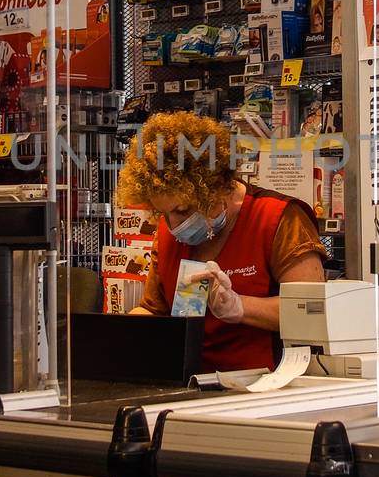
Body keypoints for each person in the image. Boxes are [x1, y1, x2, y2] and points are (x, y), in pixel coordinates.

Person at [120, 112, 327, 373]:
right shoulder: (168, 231)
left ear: (219, 188)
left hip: (265, 390)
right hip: (186, 385)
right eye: (163, 212)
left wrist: (239, 306)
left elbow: (313, 311)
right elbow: (154, 310)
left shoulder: (278, 219)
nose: (174, 225)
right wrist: (119, 335)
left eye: (184, 210)